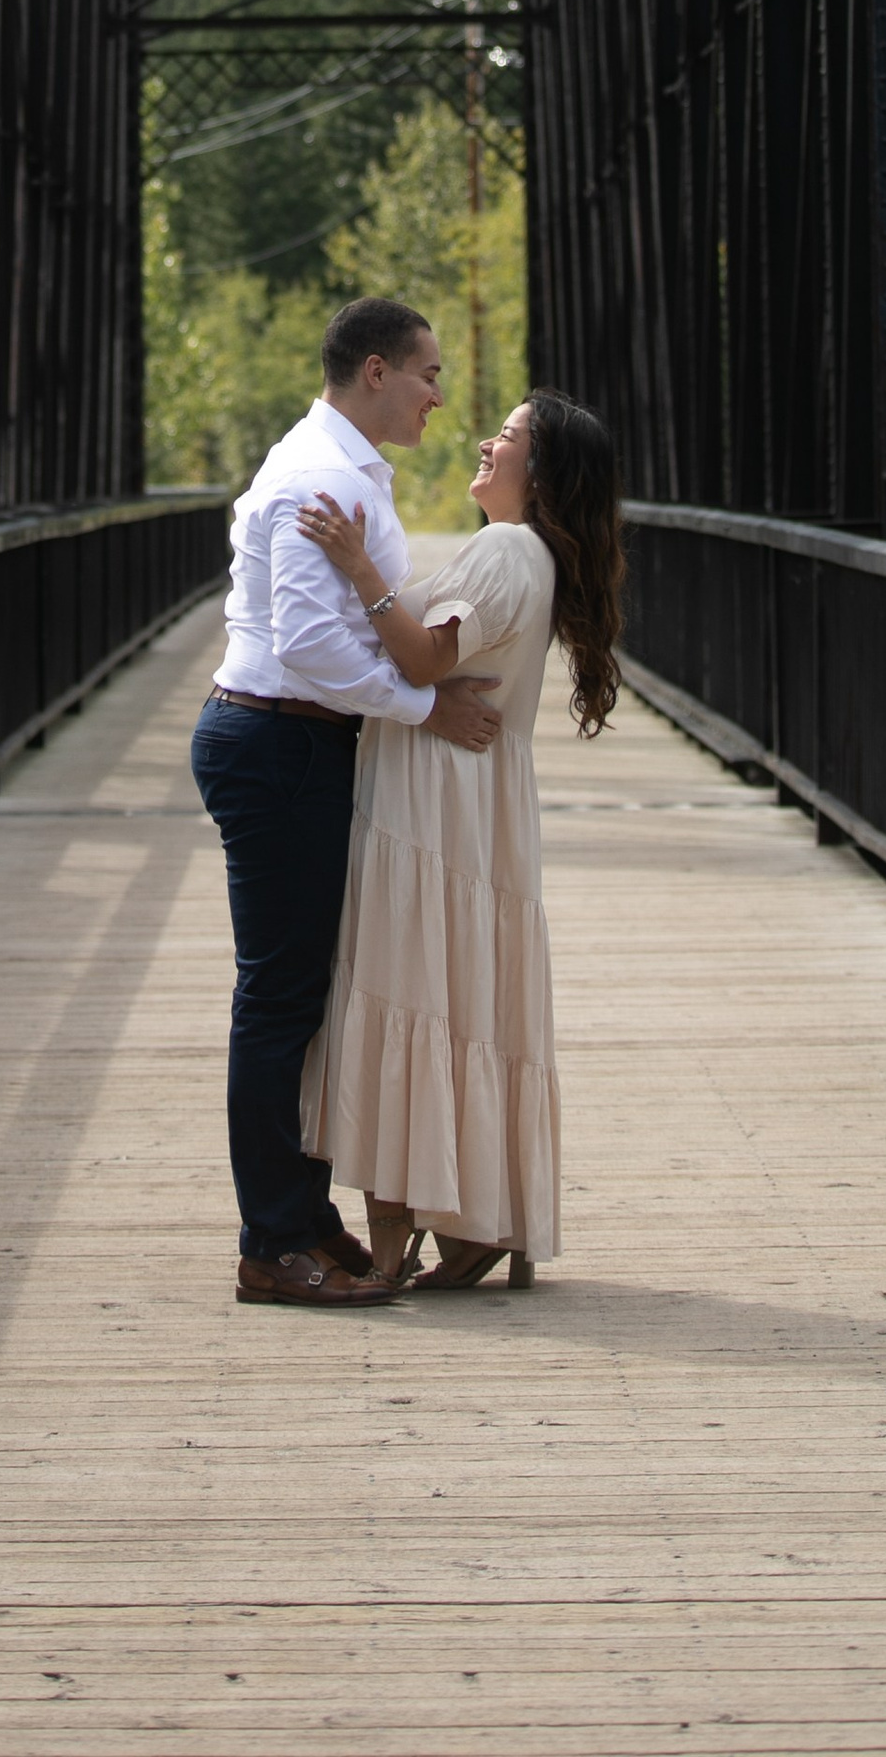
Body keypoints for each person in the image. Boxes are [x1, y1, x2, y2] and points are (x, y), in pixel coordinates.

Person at [190, 299, 504, 1310]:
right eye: (427, 373)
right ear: (375, 371)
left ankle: (304, 1223)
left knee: (296, 997)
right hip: (278, 741)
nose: (438, 394)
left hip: (294, 744)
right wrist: (423, 708)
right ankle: (274, 1244)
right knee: (278, 1001)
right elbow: (311, 651)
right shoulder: (320, 481)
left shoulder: (340, 471)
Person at [295, 389, 622, 1288]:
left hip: (435, 808)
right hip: (467, 804)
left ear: (541, 470)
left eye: (510, 436)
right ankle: (479, 1223)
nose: (488, 439)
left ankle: (406, 1244)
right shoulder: (526, 553)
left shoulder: (509, 549)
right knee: (454, 1002)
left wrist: (361, 568)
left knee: (404, 992)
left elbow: (425, 660)